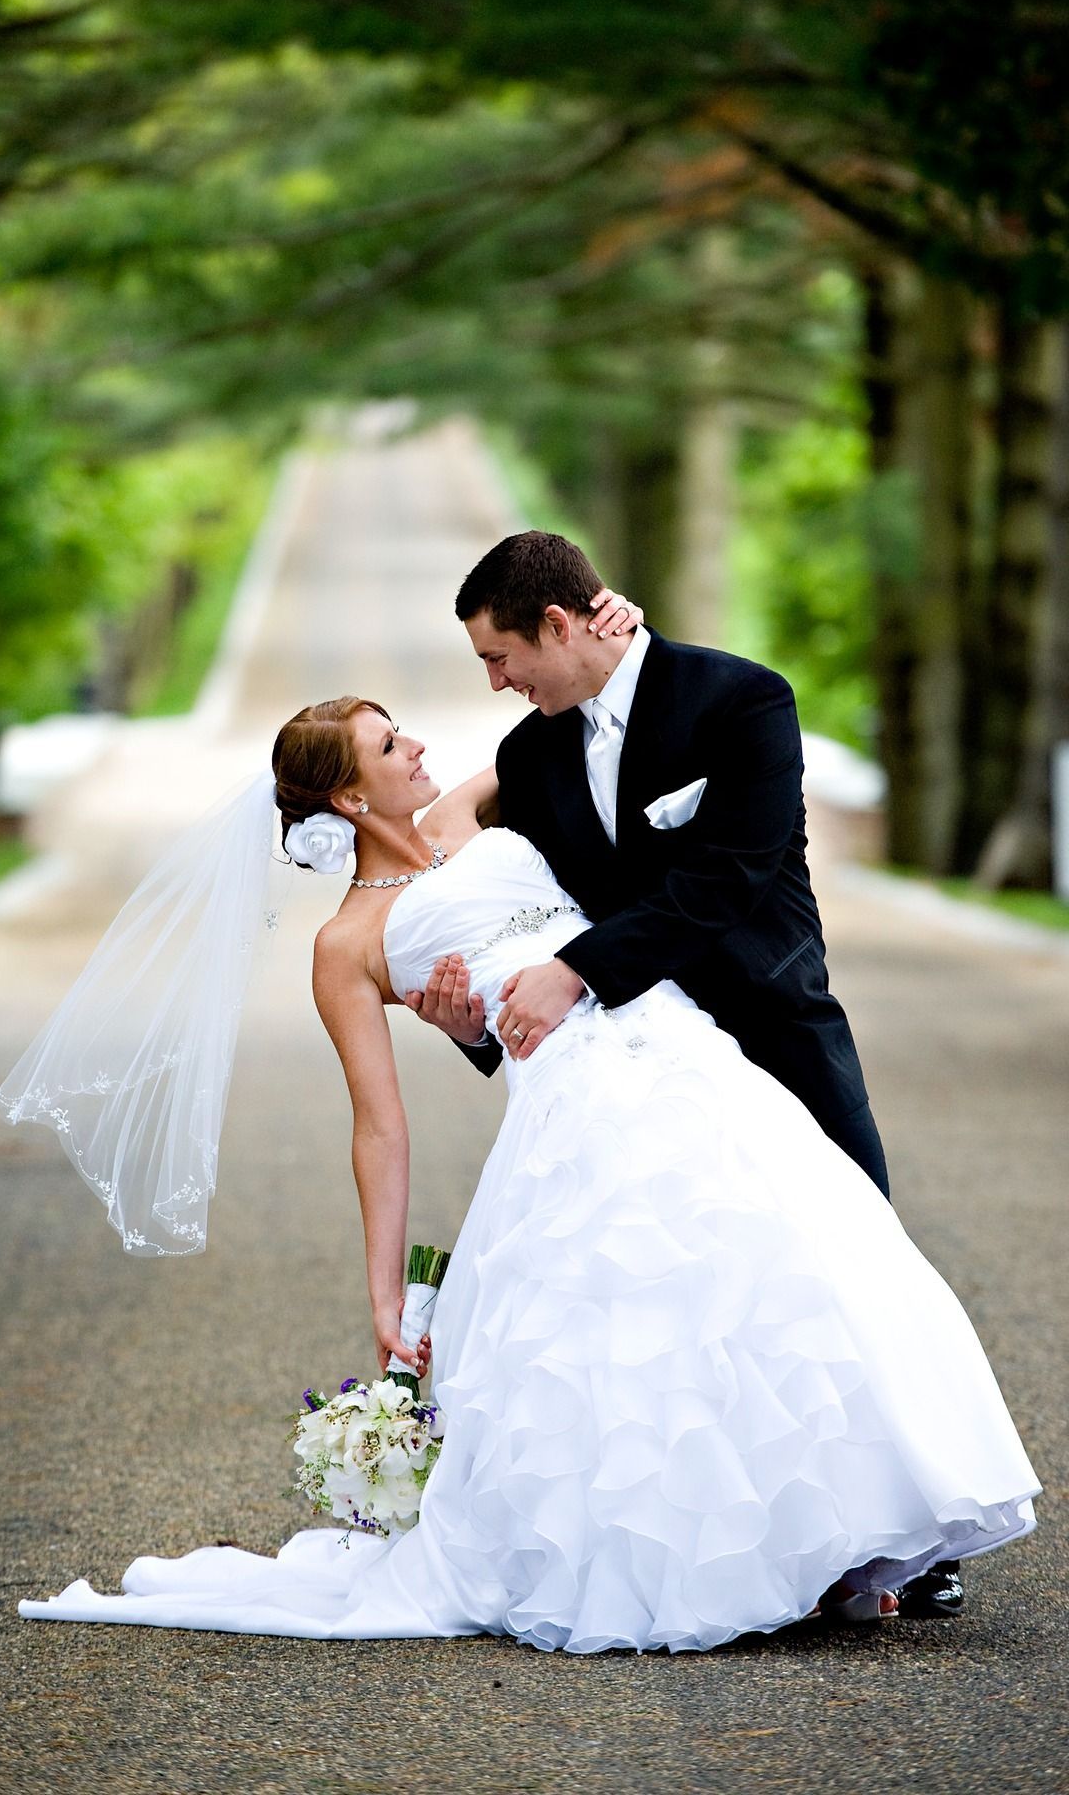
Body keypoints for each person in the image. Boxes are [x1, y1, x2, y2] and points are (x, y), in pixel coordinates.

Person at [15, 690, 1039, 1650]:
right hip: (566, 1110)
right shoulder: (346, 946)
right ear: (347, 798)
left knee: (786, 1266)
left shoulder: (470, 814)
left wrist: (616, 628)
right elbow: (379, 1126)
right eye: (387, 746)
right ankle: (696, 1559)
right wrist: (385, 1293)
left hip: (680, 1050)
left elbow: (593, 711)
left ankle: (840, 1538)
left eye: (402, 731)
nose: (417, 747)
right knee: (630, 1327)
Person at [405, 532, 958, 1619]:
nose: (496, 683)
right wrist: (474, 1021)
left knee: (848, 1274)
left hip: (773, 1028)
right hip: (645, 1064)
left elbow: (732, 876)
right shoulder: (533, 755)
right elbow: (458, 846)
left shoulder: (740, 702)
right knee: (694, 1305)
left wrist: (573, 971)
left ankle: (911, 1538)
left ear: (562, 625)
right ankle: (766, 1548)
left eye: (501, 655)